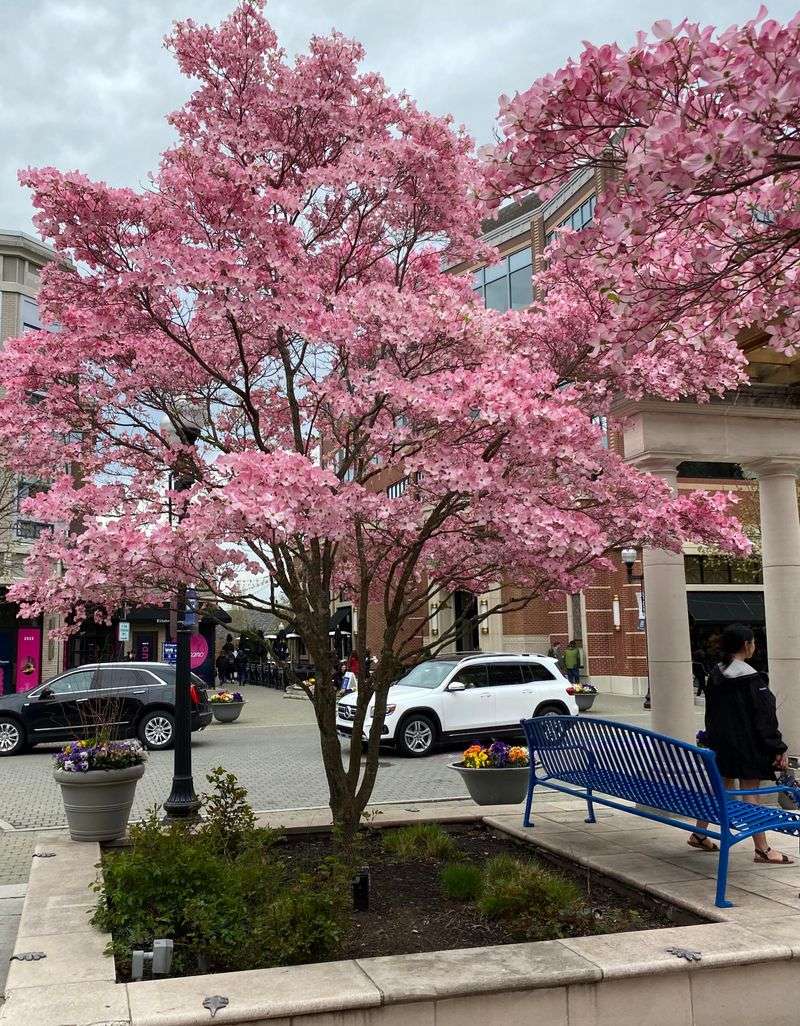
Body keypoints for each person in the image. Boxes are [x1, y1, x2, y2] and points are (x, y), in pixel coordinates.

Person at [689, 623, 793, 864]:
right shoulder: (752, 680)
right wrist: (778, 747)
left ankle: (699, 833)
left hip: (722, 747)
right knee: (751, 793)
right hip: (747, 751)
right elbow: (765, 720)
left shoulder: (715, 676)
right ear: (747, 645)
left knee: (720, 786)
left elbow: (711, 715)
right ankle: (762, 849)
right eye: (753, 642)